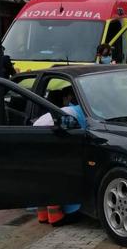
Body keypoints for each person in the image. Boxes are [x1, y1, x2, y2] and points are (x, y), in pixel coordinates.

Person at [34, 89, 87, 226]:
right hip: (48, 142)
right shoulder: (80, 112)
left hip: (35, 138)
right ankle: (58, 218)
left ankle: (43, 216)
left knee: (45, 179)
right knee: (63, 177)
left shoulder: (65, 110)